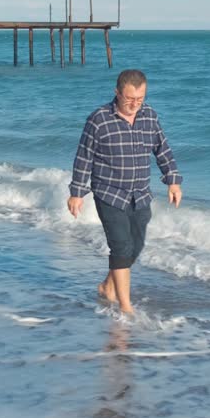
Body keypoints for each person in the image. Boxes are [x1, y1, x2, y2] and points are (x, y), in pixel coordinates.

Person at [67, 69, 183, 314]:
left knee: (136, 246)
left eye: (140, 99)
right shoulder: (98, 119)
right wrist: (77, 193)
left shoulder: (149, 116)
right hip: (109, 193)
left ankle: (108, 286)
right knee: (120, 247)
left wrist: (172, 181)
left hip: (140, 193)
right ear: (117, 93)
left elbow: (162, 149)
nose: (135, 104)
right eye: (130, 98)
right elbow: (83, 158)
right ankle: (126, 307)